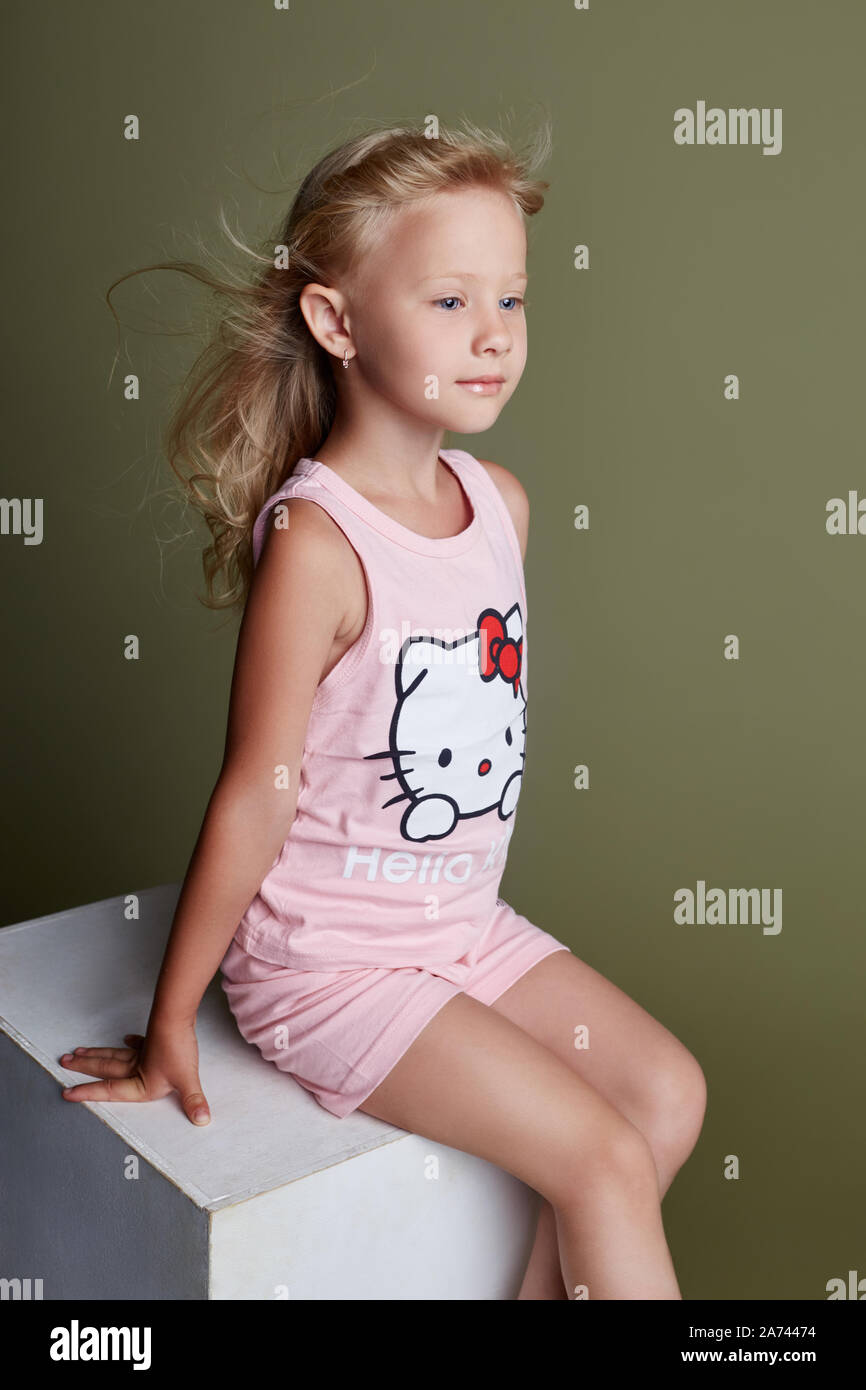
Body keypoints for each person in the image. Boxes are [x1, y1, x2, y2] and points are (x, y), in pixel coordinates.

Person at [59, 119, 706, 1299]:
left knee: (667, 1093)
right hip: (333, 964)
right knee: (602, 1160)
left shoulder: (494, 502)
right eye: (450, 302)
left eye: (510, 299)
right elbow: (256, 793)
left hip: (458, 931)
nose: (495, 336)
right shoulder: (319, 541)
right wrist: (172, 1020)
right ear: (336, 322)